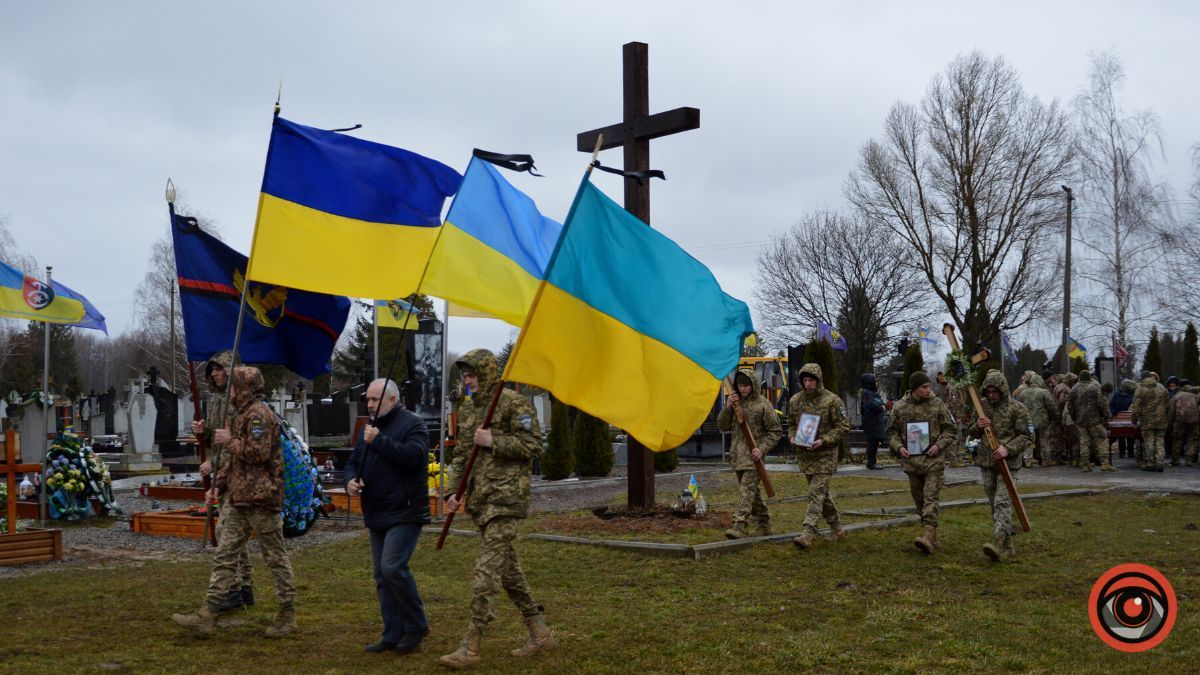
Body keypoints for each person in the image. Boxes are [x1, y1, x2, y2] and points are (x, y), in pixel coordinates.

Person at [439, 349, 555, 669]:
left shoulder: (513, 403)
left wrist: (494, 440)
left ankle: (471, 644)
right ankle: (540, 632)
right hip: (481, 500)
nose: (468, 380)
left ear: (488, 373)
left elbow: (533, 445)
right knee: (508, 572)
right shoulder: (468, 409)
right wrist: (452, 490)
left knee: (486, 571)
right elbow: (462, 454)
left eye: (473, 374)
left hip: (507, 499)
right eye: (465, 375)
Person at [172, 366, 297, 636]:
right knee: (225, 555)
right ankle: (208, 614)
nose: (228, 391)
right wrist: (217, 486)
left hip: (261, 499)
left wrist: (229, 441)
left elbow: (258, 453)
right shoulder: (240, 415)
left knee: (275, 557)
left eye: (233, 386)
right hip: (240, 498)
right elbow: (234, 462)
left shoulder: (259, 415)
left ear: (244, 388)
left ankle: (287, 615)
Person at [345, 378, 432, 654]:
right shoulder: (369, 428)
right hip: (377, 508)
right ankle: (392, 634)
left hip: (405, 509)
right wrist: (350, 481)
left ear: (392, 400)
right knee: (382, 575)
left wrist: (379, 441)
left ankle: (416, 626)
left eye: (375, 400)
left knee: (392, 567)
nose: (369, 405)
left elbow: (415, 457)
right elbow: (354, 462)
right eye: (368, 400)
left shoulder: (413, 424)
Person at [191, 352, 254, 612]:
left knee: (226, 533)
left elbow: (240, 444)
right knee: (234, 534)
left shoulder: (238, 402)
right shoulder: (216, 398)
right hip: (223, 475)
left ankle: (232, 590)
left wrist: (214, 465)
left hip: (235, 475)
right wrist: (201, 431)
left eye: (219, 369)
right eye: (212, 370)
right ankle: (245, 586)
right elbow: (215, 437)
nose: (214, 373)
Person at [966, 370, 1033, 561]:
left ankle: (998, 542)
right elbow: (971, 432)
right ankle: (1008, 545)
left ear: (1002, 390)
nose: (991, 395)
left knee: (1002, 502)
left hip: (1008, 464)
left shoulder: (1017, 408)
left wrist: (1007, 449)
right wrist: (978, 425)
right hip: (987, 462)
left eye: (994, 391)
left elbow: (1027, 436)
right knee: (994, 503)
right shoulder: (981, 407)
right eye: (988, 392)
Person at [886, 371, 956, 554]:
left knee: (930, 497)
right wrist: (899, 447)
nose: (928, 390)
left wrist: (939, 445)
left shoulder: (937, 404)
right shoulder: (900, 407)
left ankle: (928, 534)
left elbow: (950, 429)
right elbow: (891, 432)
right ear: (914, 389)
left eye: (929, 386)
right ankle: (932, 536)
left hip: (934, 461)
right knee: (919, 500)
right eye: (924, 387)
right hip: (912, 463)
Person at [786, 363, 849, 550]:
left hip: (825, 455)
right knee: (822, 494)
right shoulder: (796, 401)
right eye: (805, 380)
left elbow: (843, 426)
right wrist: (792, 437)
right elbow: (791, 423)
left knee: (815, 492)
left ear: (818, 380)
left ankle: (807, 533)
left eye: (811, 380)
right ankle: (837, 528)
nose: (808, 384)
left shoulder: (832, 401)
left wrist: (824, 440)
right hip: (806, 456)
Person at [717, 368, 783, 539]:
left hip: (754, 458)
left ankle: (739, 525)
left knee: (746, 492)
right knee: (752, 494)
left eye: (746, 385)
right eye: (740, 386)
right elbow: (722, 425)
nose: (743, 389)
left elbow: (775, 431)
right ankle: (764, 524)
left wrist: (762, 449)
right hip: (737, 457)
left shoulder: (763, 404)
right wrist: (728, 407)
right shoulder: (734, 403)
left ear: (753, 385)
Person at [1067, 370, 1115, 472]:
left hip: (1080, 421)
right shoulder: (1095, 388)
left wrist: (1074, 418)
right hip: (1094, 420)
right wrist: (1106, 416)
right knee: (1101, 440)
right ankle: (1105, 463)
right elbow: (1101, 403)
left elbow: (1070, 406)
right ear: (1089, 378)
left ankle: (1085, 464)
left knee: (1084, 442)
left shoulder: (1074, 389)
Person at [1016, 371, 1057, 467]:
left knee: (1029, 440)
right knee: (1044, 440)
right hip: (1042, 420)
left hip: (1028, 421)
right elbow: (1051, 406)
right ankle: (1046, 460)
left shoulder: (1023, 393)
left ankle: (1028, 460)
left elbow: (1020, 407)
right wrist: (1054, 417)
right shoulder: (1044, 392)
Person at [1131, 370, 1170, 471]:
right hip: (1161, 419)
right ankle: (1160, 463)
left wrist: (1134, 420)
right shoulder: (1161, 387)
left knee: (1149, 441)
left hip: (1147, 420)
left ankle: (1150, 463)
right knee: (1160, 441)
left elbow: (1136, 407)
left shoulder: (1140, 389)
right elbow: (1167, 404)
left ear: (1142, 378)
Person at [1166, 380, 1198, 467]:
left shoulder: (1176, 396)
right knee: (1192, 439)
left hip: (1180, 420)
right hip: (1194, 420)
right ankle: (1189, 460)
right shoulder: (1194, 396)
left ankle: (1175, 460)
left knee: (1177, 439)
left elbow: (1171, 412)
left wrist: (1169, 425)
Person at [859, 373, 887, 470]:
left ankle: (872, 462)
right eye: (874, 381)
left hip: (874, 421)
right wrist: (881, 408)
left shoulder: (871, 392)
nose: (876, 383)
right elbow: (871, 405)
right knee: (873, 442)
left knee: (875, 442)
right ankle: (871, 463)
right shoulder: (867, 392)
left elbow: (881, 402)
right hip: (871, 421)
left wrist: (882, 406)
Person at [1109, 379, 1136, 458]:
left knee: (1130, 436)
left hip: (1130, 417)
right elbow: (1112, 404)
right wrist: (1114, 412)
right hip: (1118, 417)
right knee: (1121, 436)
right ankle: (1122, 452)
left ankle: (1131, 452)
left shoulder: (1133, 394)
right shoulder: (1117, 394)